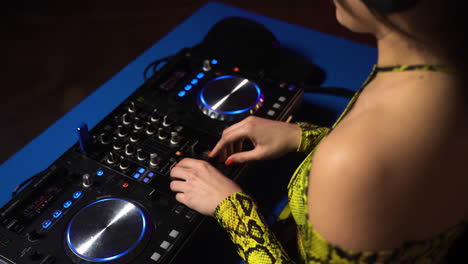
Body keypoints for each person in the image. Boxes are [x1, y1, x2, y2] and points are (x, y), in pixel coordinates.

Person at [169, 0, 468, 263]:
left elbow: (374, 165)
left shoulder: (352, 160)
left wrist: (233, 209)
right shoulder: (433, 69)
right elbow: (409, 165)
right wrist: (303, 136)